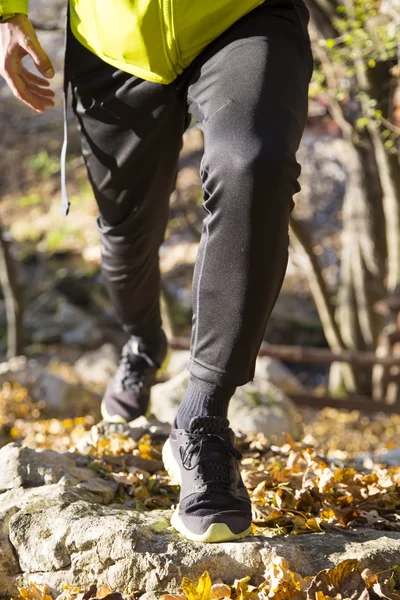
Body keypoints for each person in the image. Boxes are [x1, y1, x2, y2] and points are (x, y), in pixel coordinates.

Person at [0, 0, 313, 543]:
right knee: (126, 235)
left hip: (243, 14)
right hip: (114, 42)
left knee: (252, 165)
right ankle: (145, 345)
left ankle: (202, 420)